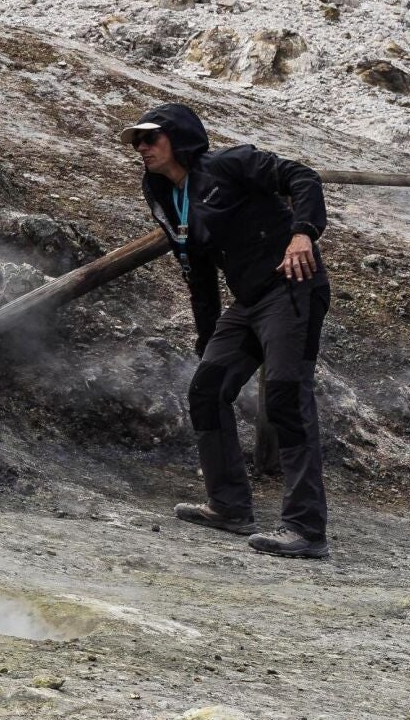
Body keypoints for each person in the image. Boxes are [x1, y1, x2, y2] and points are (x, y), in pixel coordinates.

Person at [119, 104, 331, 558]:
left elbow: (303, 177)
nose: (141, 147)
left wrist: (303, 233)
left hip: (292, 286)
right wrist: (208, 337)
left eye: (150, 138)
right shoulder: (160, 191)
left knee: (286, 399)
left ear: (178, 138)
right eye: (136, 141)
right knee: (207, 390)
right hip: (248, 301)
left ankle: (306, 530)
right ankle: (230, 507)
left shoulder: (228, 164)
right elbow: (195, 266)